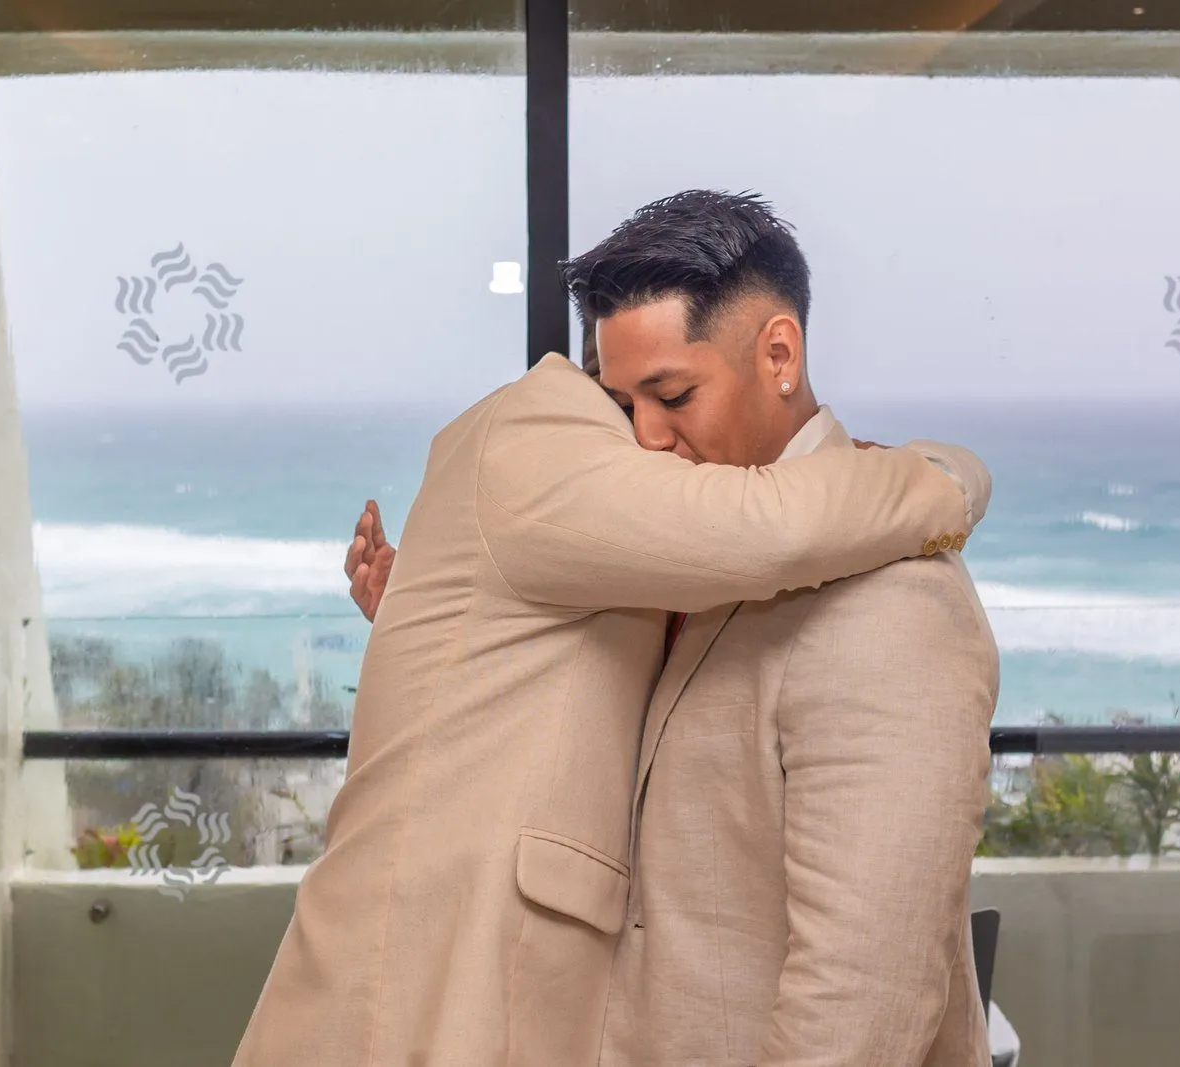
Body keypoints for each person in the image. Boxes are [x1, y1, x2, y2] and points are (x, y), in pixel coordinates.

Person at [229, 243, 990, 1065]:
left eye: (673, 395)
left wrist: (949, 479)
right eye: (622, 403)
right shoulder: (640, 536)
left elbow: (862, 996)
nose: (647, 437)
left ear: (779, 354)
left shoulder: (893, 596)